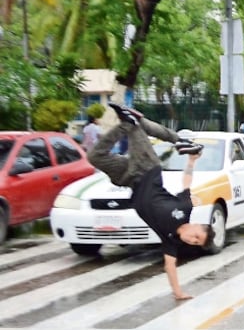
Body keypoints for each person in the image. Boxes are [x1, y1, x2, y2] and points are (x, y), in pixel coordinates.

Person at [88, 103, 213, 301]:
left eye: (196, 242)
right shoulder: (185, 208)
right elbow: (187, 182)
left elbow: (170, 266)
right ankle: (179, 140)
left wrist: (178, 292)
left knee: (94, 156)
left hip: (129, 178)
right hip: (148, 169)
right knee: (135, 126)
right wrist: (191, 162)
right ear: (197, 225)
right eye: (197, 236)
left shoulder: (170, 240)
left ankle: (129, 121)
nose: (193, 240)